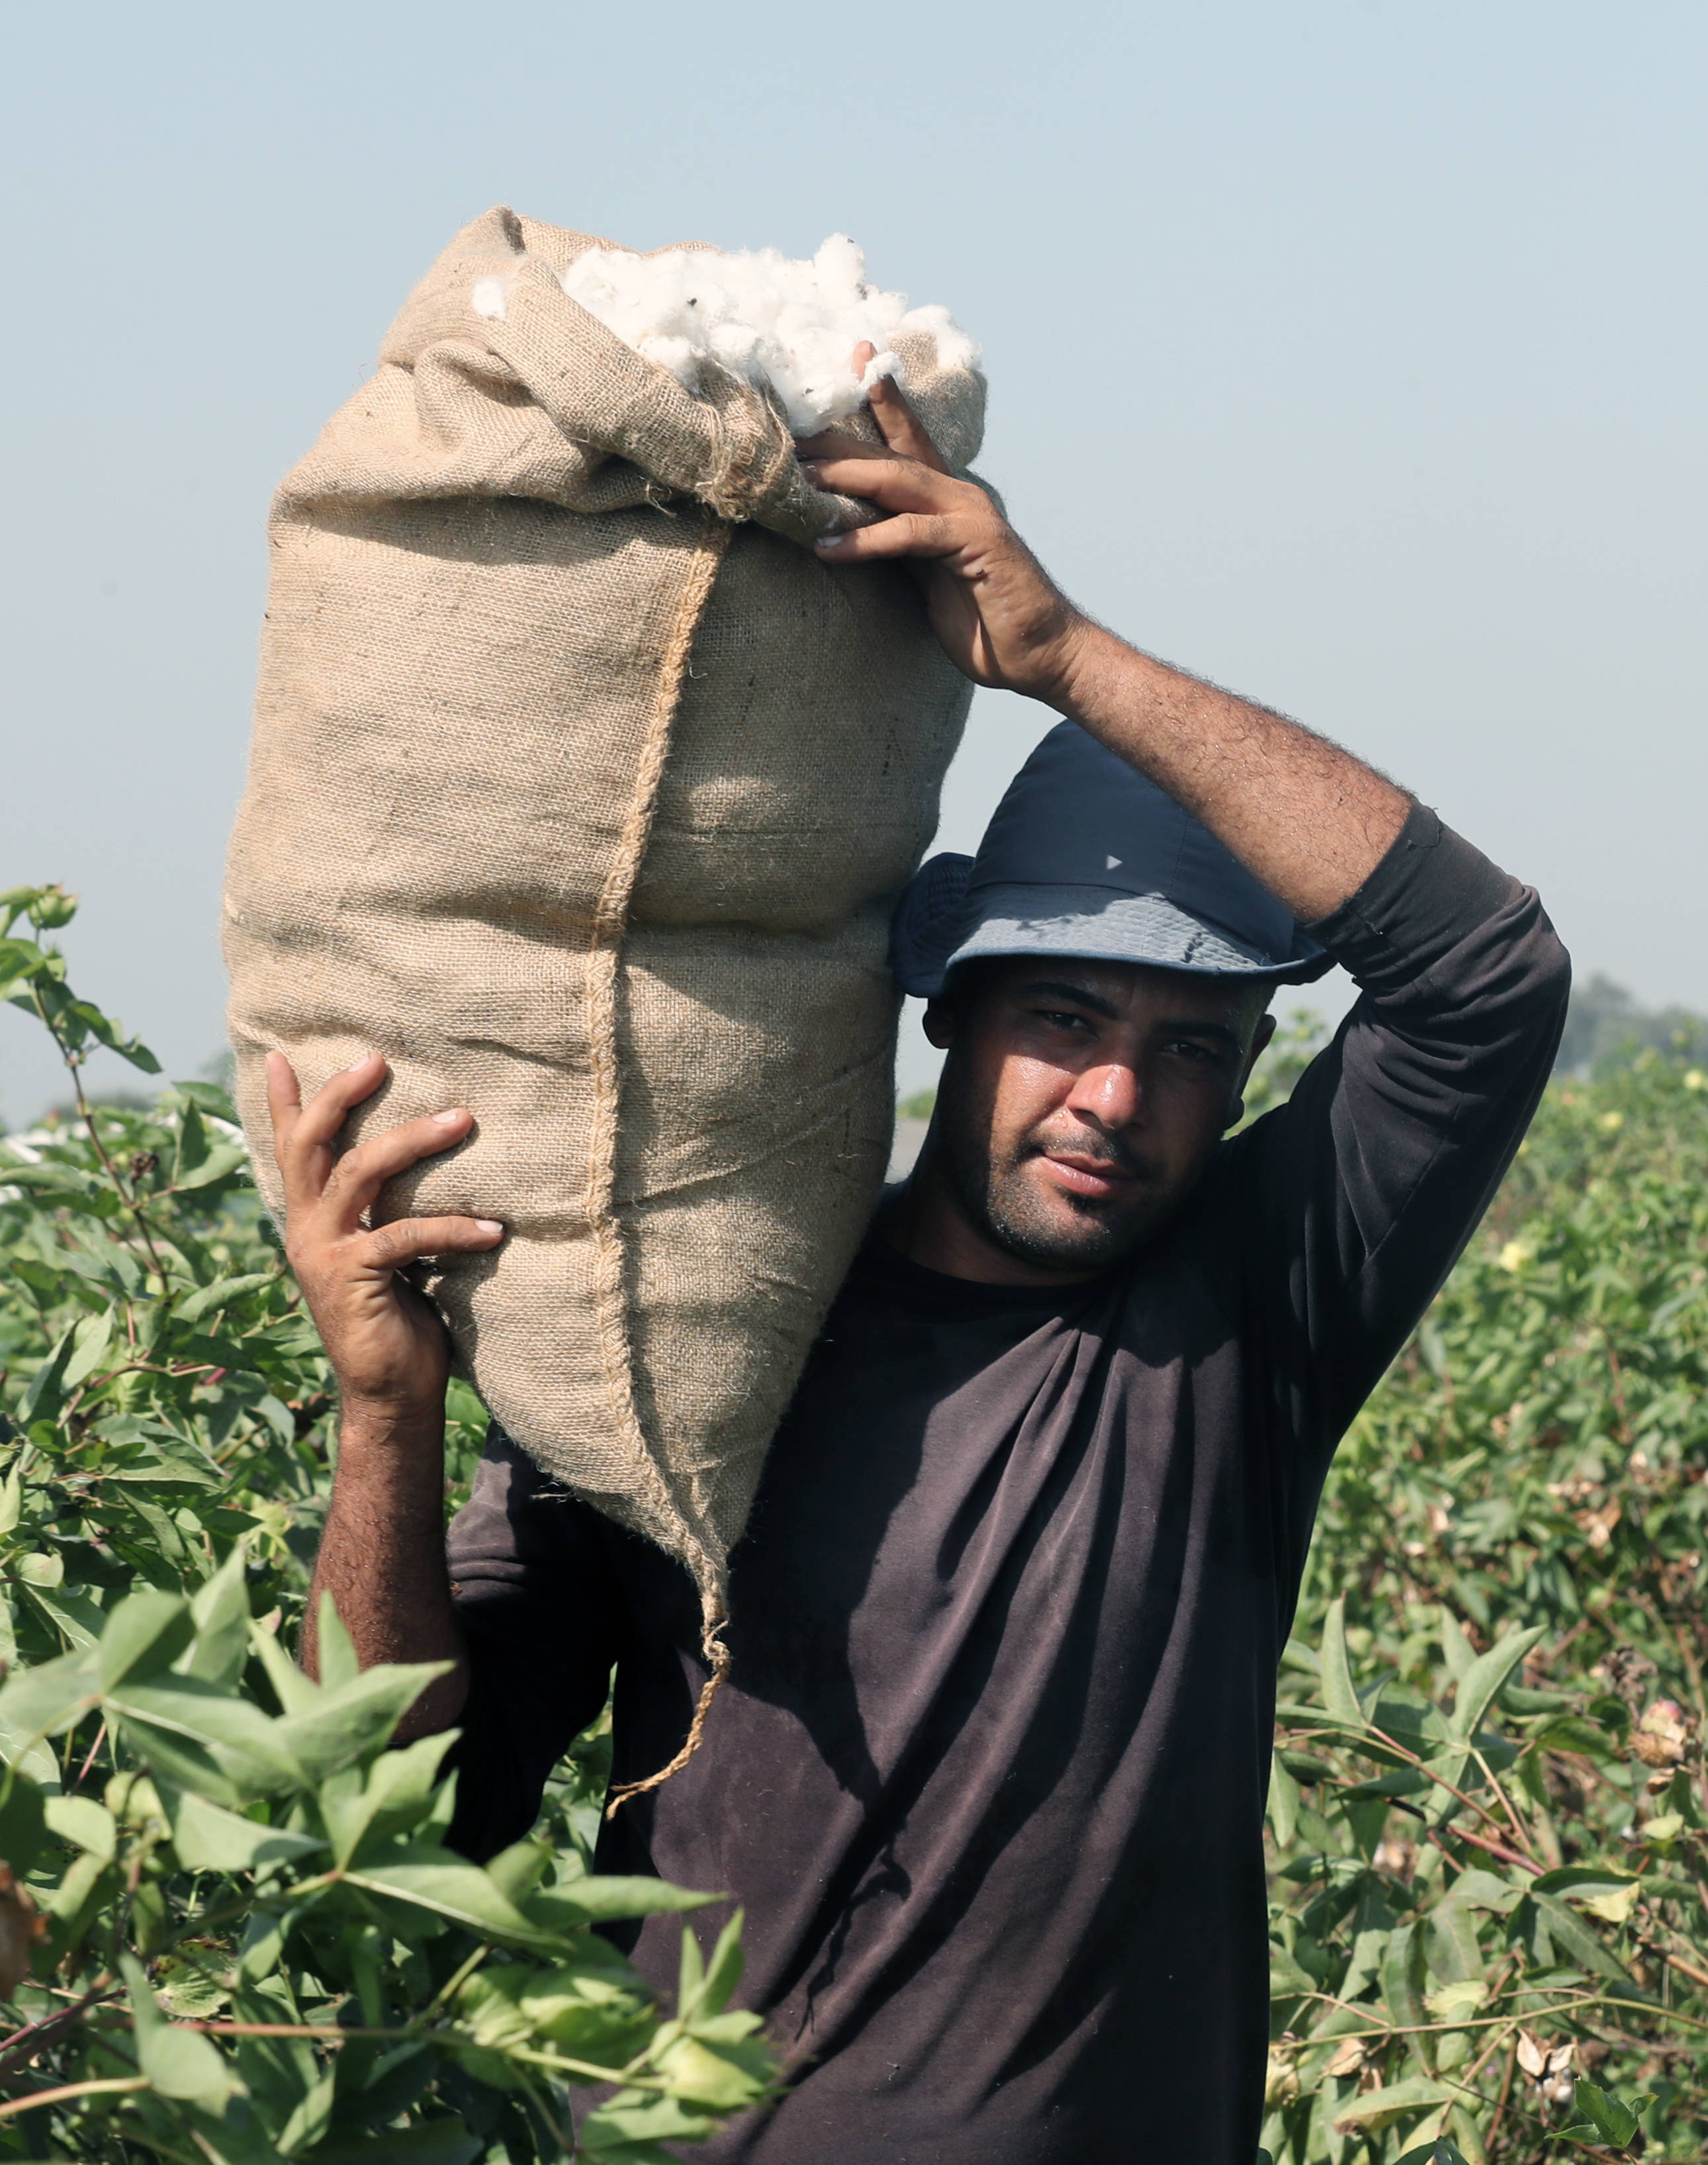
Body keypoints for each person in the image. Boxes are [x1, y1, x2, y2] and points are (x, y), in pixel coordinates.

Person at [269, 356, 1570, 2164]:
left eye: (1195, 1046)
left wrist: (1060, 655)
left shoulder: (1237, 1324)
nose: (1118, 1092)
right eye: (1064, 1015)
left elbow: (1486, 984)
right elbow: (395, 1804)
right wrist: (384, 1406)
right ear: (952, 1016)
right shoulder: (697, 1342)